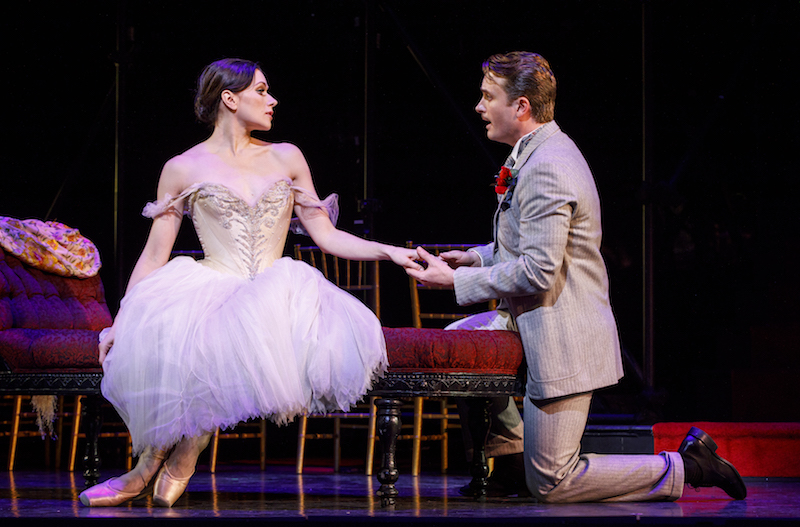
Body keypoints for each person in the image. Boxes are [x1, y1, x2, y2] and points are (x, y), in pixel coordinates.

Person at [406, 52, 746, 503]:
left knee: (552, 482)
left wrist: (455, 285)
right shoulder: (532, 156)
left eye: (488, 97)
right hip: (529, 320)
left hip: (562, 331)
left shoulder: (549, 166)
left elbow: (540, 269)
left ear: (521, 106)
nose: (479, 106)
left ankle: (687, 465)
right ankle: (507, 461)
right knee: (462, 347)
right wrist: (471, 260)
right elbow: (529, 246)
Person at [79, 58, 418, 507]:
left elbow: (326, 235)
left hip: (279, 291)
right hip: (212, 284)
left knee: (234, 334)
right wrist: (122, 319)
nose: (272, 99)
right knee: (192, 338)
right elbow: (155, 254)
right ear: (230, 98)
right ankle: (149, 463)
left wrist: (390, 251)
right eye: (262, 90)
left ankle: (175, 457)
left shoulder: (286, 156)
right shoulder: (182, 167)